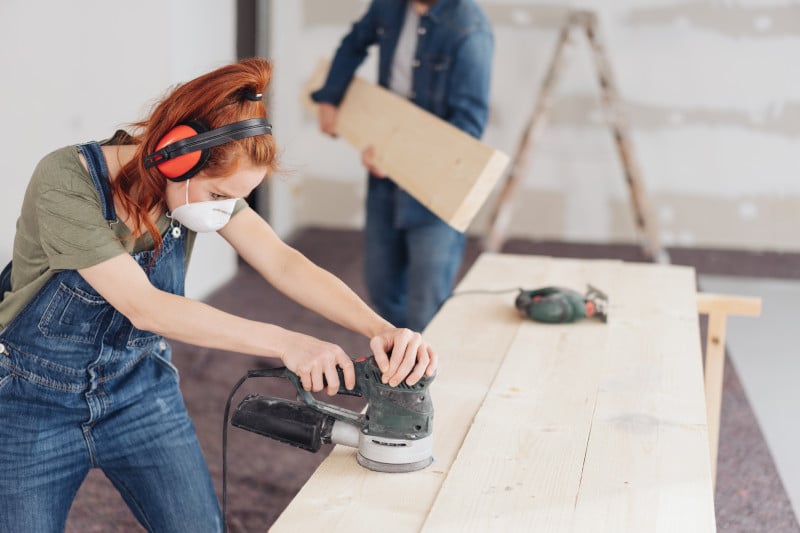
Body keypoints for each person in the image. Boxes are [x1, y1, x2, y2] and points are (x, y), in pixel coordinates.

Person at [0, 57, 436, 532]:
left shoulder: (196, 188)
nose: (224, 211)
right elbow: (145, 308)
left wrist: (382, 329)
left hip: (139, 389)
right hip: (32, 403)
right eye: (217, 196)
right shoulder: (67, 181)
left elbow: (282, 262)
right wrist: (290, 343)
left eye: (235, 199)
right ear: (174, 156)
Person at [311, 0, 494, 332]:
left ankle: (425, 374)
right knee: (380, 287)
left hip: (436, 186)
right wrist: (329, 96)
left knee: (427, 303)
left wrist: (402, 159)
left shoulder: (470, 30)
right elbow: (354, 42)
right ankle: (401, 365)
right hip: (384, 176)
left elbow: (467, 127)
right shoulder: (390, 6)